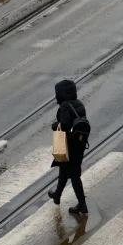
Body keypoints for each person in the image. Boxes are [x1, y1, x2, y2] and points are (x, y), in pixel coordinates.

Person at [47, 79, 90, 215]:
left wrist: (55, 125)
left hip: (70, 145)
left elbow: (64, 125)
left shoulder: (65, 106)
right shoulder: (79, 104)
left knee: (74, 175)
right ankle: (57, 195)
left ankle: (82, 205)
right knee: (65, 169)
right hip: (80, 143)